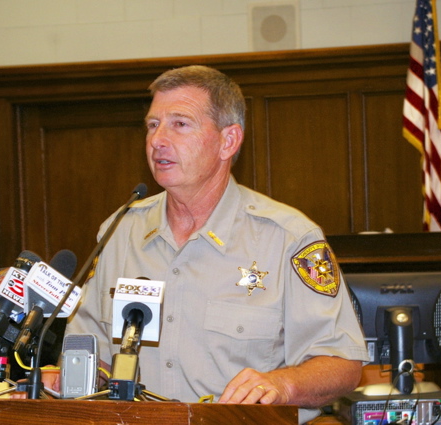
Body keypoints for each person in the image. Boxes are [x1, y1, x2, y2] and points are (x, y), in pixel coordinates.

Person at [62, 65, 369, 423]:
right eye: (152, 124)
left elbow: (343, 364)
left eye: (180, 124)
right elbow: (87, 351)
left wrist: (280, 385)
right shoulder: (120, 232)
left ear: (228, 141)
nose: (157, 139)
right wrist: (70, 376)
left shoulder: (288, 238)